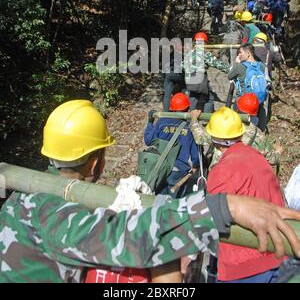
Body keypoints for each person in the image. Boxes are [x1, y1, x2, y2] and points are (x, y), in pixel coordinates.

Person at [3, 102, 300, 283]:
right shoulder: (56, 217)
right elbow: (131, 237)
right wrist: (223, 208)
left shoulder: (18, 197)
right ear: (97, 160)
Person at [206, 107, 288, 283]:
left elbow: (211, 220)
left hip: (243, 268)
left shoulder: (221, 171)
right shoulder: (258, 157)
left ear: (214, 140)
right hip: (278, 256)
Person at [144, 93, 200, 197]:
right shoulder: (189, 128)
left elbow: (148, 140)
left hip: (160, 167)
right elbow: (195, 156)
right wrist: (198, 165)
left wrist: (150, 122)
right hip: (178, 171)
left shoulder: (161, 122)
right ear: (187, 109)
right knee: (174, 203)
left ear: (171, 109)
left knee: (160, 200)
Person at [183, 32, 230, 112]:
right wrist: (229, 69)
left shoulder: (189, 53)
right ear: (204, 43)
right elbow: (217, 64)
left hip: (190, 79)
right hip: (200, 79)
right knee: (210, 97)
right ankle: (206, 117)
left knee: (193, 96)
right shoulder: (205, 53)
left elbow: (182, 65)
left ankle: (189, 117)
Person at [227, 43, 268, 131]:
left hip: (243, 103)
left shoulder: (240, 66)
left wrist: (236, 63)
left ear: (248, 54)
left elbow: (229, 76)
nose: (239, 55)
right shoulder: (261, 66)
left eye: (241, 53)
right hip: (258, 102)